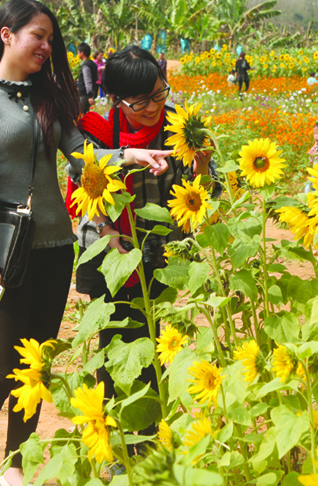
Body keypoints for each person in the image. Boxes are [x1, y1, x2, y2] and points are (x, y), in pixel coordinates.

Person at [0, 0, 169, 485]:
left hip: (55, 248)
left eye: (50, 38)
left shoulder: (47, 97)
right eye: (38, 36)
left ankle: (15, 462)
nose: (47, 46)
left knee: (38, 361)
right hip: (6, 251)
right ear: (6, 35)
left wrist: (131, 155)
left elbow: (82, 157)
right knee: (3, 362)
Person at [68, 46, 218, 444]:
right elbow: (83, 175)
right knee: (114, 342)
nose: (152, 107)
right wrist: (107, 231)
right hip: (108, 252)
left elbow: (209, 196)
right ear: (116, 97)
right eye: (140, 100)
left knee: (154, 341)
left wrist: (201, 165)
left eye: (158, 93)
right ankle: (114, 439)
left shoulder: (181, 127)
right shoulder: (99, 131)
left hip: (160, 250)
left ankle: (152, 435)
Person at [75, 42, 98, 114]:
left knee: (79, 115)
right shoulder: (93, 64)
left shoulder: (86, 65)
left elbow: (88, 81)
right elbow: (95, 78)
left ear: (82, 53)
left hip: (84, 95)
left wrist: (89, 96)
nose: (78, 54)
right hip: (89, 94)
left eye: (78, 52)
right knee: (86, 116)